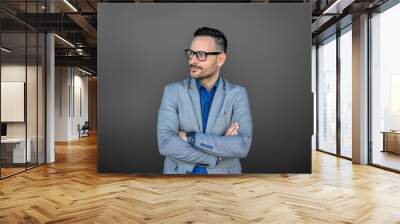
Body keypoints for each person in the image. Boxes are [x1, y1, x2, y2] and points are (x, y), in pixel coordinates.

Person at [157, 26, 253, 174]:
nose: (192, 60)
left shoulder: (237, 94)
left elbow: (242, 145)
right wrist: (216, 156)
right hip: (178, 182)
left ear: (220, 59)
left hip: (224, 184)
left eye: (201, 54)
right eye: (191, 53)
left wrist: (191, 137)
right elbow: (166, 143)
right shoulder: (172, 92)